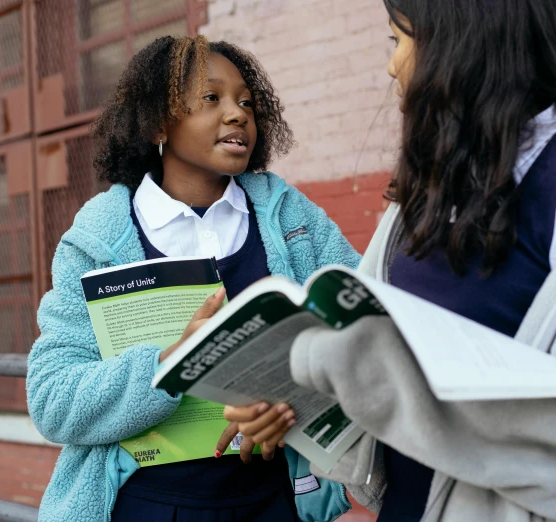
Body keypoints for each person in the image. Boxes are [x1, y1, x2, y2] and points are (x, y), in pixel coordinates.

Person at [226, 1, 556, 521]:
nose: (392, 65)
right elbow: (368, 371)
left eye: (398, 40)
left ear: (459, 40)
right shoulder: (424, 189)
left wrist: (359, 368)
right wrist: (289, 399)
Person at [27, 35, 359, 522]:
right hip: (145, 505)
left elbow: (364, 336)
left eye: (247, 102)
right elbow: (54, 399)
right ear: (159, 121)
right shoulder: (96, 242)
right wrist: (171, 365)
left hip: (275, 501)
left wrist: (291, 407)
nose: (237, 113)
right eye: (212, 98)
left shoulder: (293, 221)